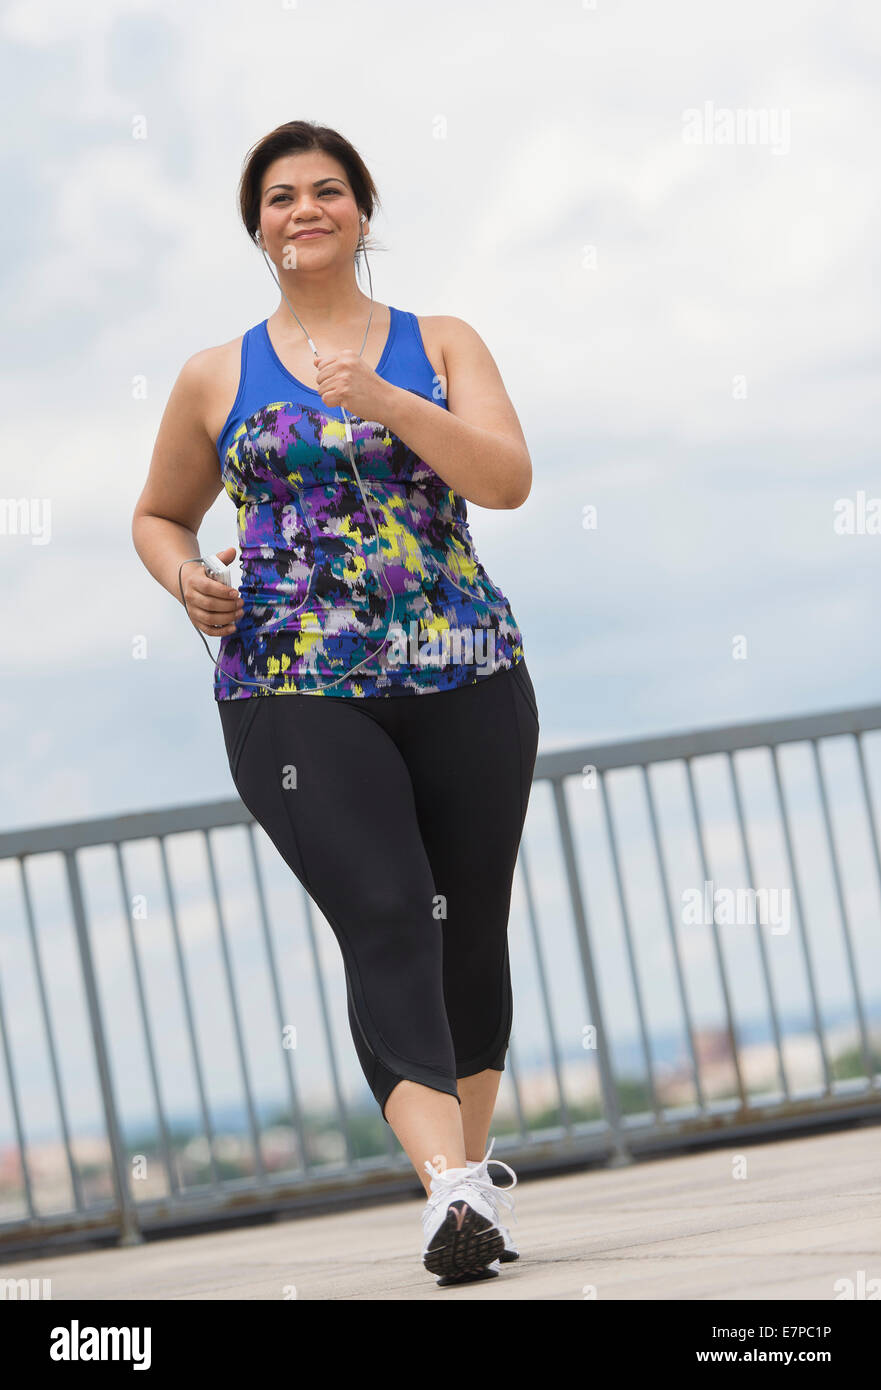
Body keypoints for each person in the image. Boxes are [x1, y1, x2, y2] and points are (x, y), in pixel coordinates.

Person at [131, 120, 539, 1286]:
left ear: (361, 211)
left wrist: (386, 400)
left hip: (466, 668)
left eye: (325, 191)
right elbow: (157, 513)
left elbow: (504, 480)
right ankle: (449, 1193)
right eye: (278, 197)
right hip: (291, 680)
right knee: (387, 908)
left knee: (466, 925)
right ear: (255, 226)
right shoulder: (217, 373)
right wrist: (184, 578)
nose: (302, 209)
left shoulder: (440, 341)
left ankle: (465, 1177)